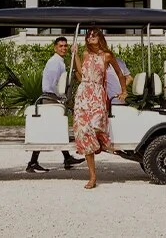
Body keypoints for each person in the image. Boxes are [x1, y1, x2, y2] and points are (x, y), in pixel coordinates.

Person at [73, 28, 127, 189]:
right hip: (83, 92)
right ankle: (92, 176)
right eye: (88, 36)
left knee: (96, 124)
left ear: (100, 37)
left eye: (94, 35)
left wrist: (124, 90)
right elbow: (80, 72)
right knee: (84, 131)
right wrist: (74, 54)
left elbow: (120, 72)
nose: (90, 37)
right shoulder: (85, 54)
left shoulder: (107, 55)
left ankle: (99, 143)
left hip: (97, 93)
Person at [27, 36, 79, 174]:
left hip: (53, 97)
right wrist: (61, 98)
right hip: (50, 98)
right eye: (61, 46)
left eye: (65, 46)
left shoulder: (59, 61)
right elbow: (53, 84)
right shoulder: (55, 62)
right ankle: (32, 163)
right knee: (47, 130)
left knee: (56, 129)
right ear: (55, 47)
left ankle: (67, 158)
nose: (63, 48)